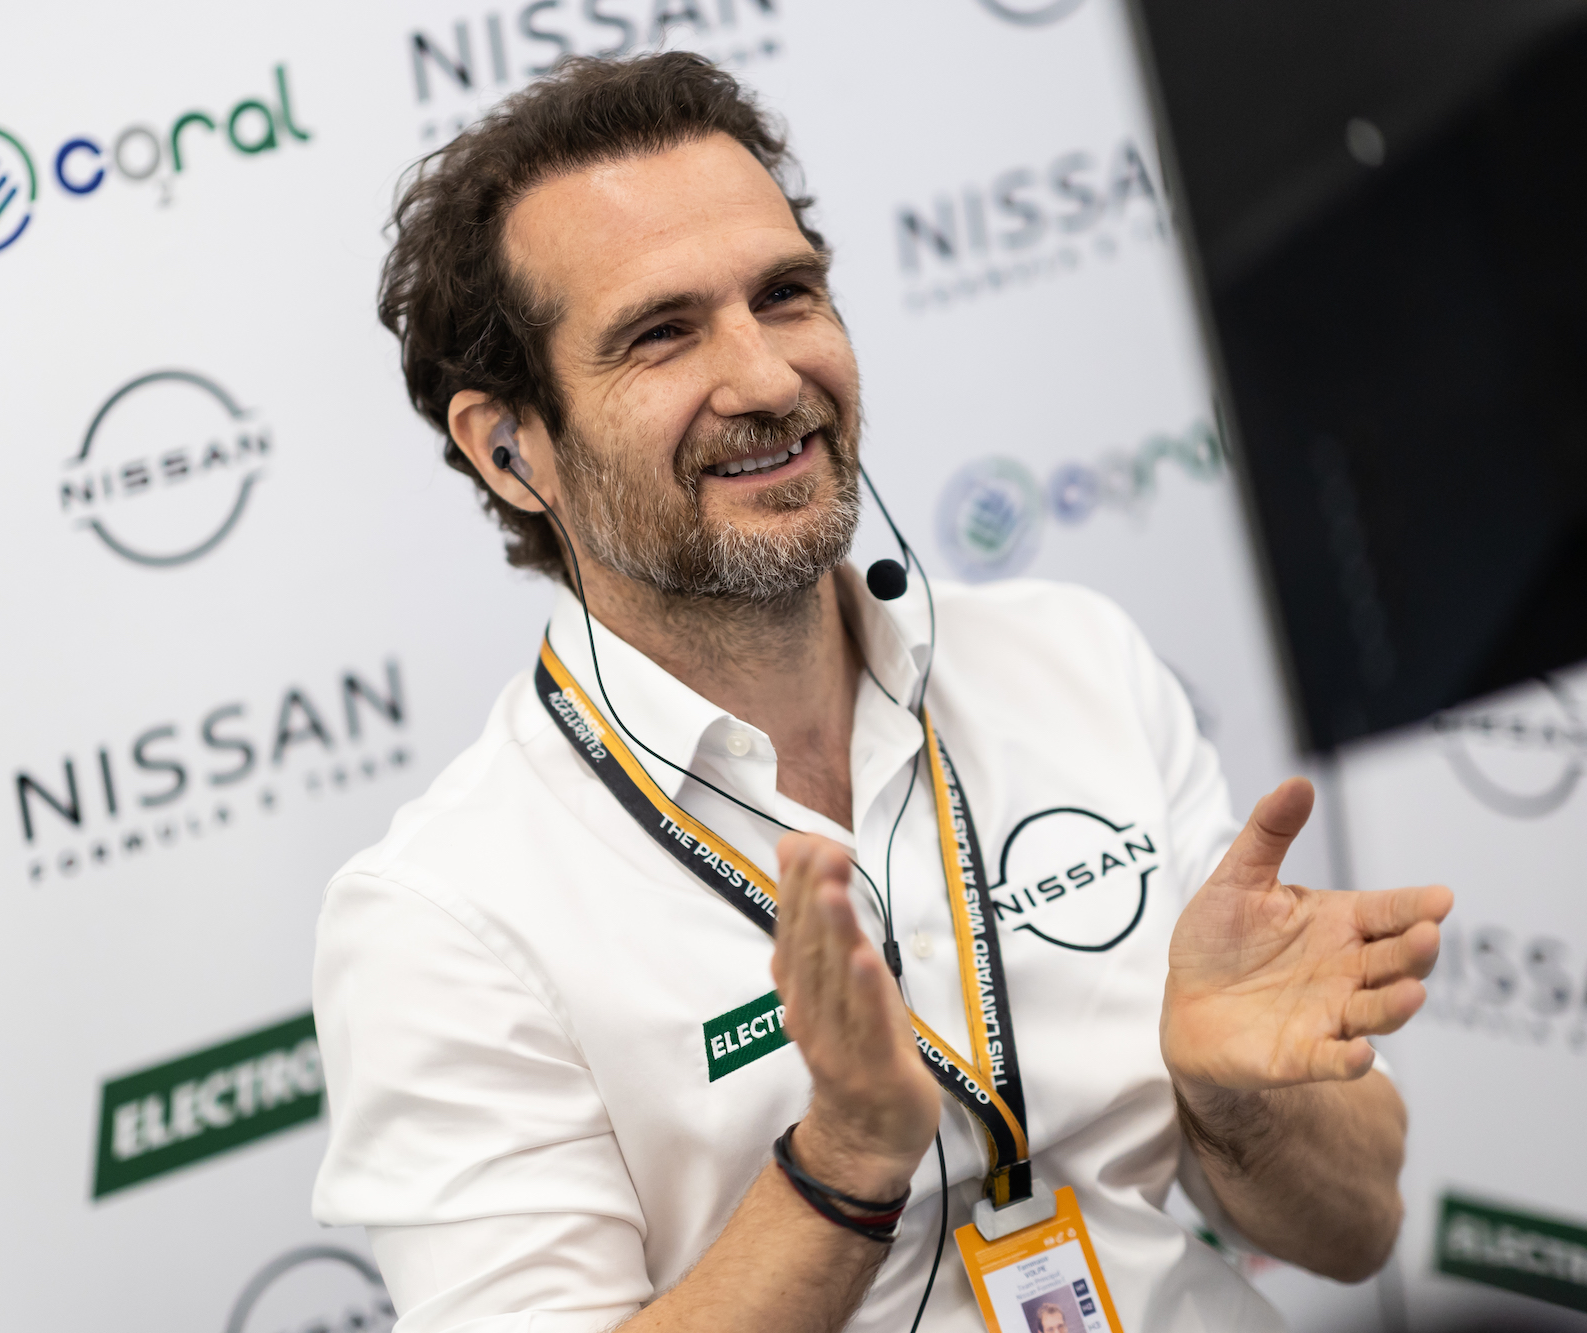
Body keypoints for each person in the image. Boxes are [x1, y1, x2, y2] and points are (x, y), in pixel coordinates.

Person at [311, 53, 1452, 1333]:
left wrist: (1231, 1095)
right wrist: (844, 1158)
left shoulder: (1070, 660)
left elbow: (1355, 1229)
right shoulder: (442, 917)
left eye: (784, 294)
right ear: (509, 447)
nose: (764, 379)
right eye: (661, 333)